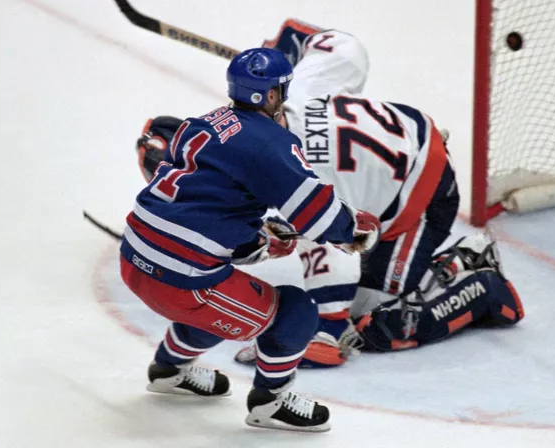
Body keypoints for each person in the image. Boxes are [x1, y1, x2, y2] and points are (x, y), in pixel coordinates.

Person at [137, 21, 523, 370]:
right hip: (409, 143)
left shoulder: (291, 171)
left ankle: (481, 282)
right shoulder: (298, 88)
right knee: (321, 228)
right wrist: (286, 43)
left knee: (375, 324)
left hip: (421, 197)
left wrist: (323, 328)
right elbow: (343, 47)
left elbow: (328, 240)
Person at [121, 46, 382, 432]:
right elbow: (317, 212)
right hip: (181, 281)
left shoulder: (206, 122)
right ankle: (270, 402)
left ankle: (168, 371)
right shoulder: (270, 142)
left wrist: (257, 240)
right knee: (296, 311)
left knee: (221, 298)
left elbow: (205, 202)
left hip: (133, 258)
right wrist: (355, 228)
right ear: (274, 95)